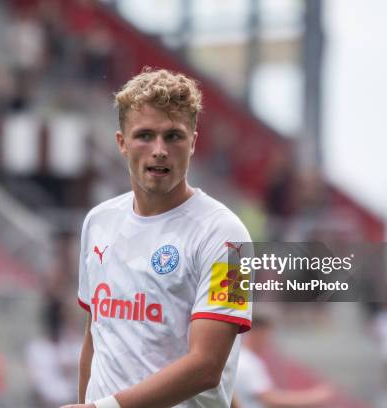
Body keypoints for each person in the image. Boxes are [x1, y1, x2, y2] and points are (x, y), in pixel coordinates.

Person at [62, 68, 253, 408]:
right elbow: (96, 339)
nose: (160, 150)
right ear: (122, 143)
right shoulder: (97, 222)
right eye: (145, 135)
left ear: (193, 142)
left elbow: (208, 367)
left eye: (174, 136)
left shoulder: (231, 238)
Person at [234, 315, 332, 408]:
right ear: (258, 333)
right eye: (267, 333)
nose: (268, 339)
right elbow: (269, 399)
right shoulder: (248, 362)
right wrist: (314, 397)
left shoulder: (243, 357)